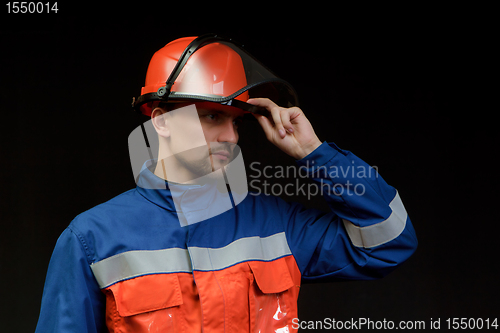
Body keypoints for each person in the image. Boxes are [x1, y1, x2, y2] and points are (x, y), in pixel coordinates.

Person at [35, 34, 418, 332]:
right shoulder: (92, 239)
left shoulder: (275, 226)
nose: (232, 138)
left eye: (236, 121)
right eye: (213, 118)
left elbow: (389, 241)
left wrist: (314, 152)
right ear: (162, 120)